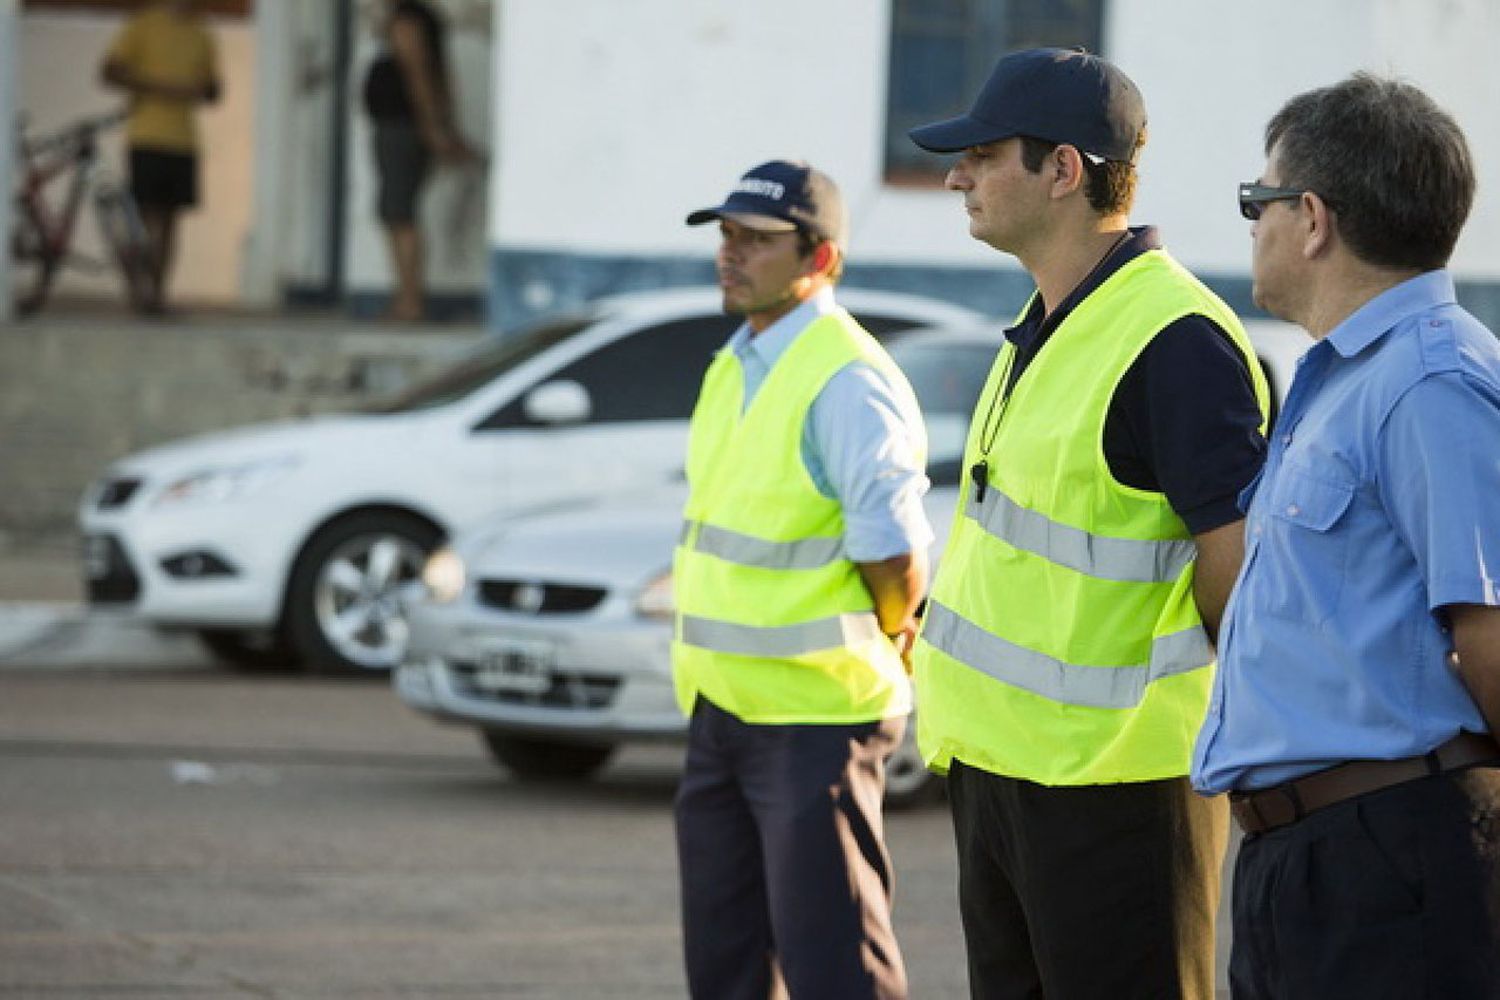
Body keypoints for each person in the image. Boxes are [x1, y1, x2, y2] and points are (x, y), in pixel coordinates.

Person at [905, 48, 1271, 998]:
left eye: (983, 156)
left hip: (1119, 793)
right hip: (1000, 772)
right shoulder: (1049, 317)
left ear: (1063, 170)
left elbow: (1242, 571)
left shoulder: (1175, 340)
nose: (957, 177)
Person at [1192, 73, 1500, 999]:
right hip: (1308, 860)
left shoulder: (1430, 383)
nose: (1254, 223)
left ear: (1313, 218)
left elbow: (1489, 635)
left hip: (1391, 856)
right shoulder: (1349, 377)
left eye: (1260, 199)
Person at [672, 159, 931, 999]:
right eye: (727, 235)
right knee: (726, 968)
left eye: (757, 239)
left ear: (819, 259)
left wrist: (898, 629)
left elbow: (894, 553)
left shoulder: (847, 378)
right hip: (723, 709)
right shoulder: (735, 364)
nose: (731, 252)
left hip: (818, 721)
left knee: (836, 970)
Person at [100, 0, 221, 315]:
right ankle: (140, 289)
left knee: (170, 221)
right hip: (147, 135)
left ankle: (157, 293)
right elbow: (109, 71)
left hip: (183, 140)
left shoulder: (201, 33)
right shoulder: (144, 24)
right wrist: (158, 87)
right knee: (143, 217)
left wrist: (197, 89)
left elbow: (214, 88)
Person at [362, 0, 475, 322]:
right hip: (404, 128)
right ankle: (407, 298)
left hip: (402, 130)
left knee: (399, 214)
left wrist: (433, 131)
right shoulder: (416, 19)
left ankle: (409, 300)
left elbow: (418, 76)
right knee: (398, 212)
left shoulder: (409, 20)